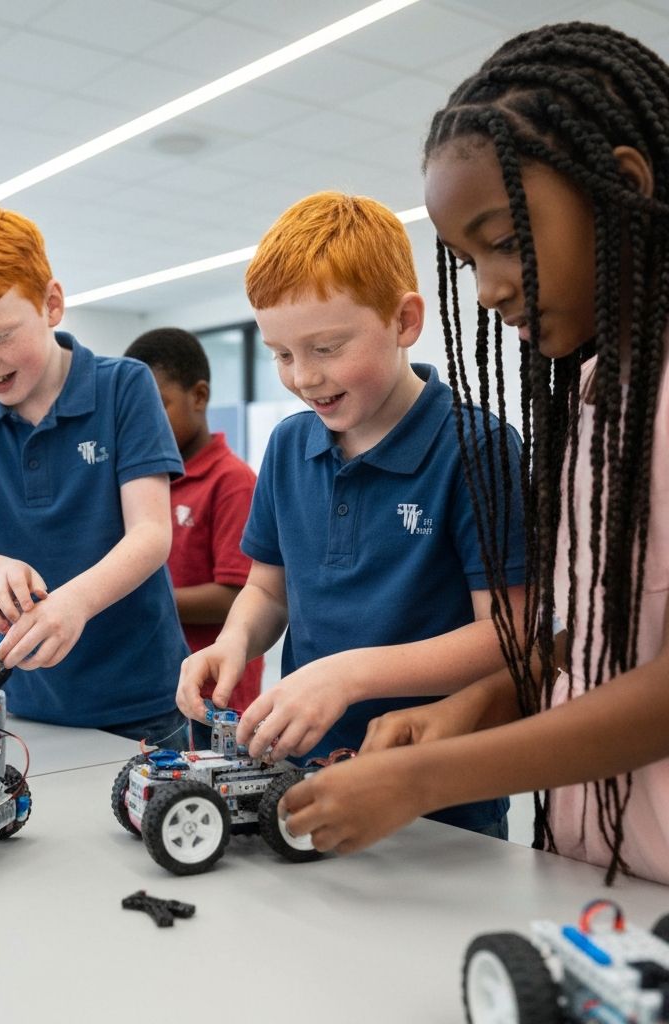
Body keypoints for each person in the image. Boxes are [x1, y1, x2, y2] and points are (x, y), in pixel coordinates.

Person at [280, 22, 669, 886]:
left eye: (504, 241)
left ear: (623, 187)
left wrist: (428, 777)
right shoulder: (596, 398)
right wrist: (469, 709)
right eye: (467, 260)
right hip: (597, 873)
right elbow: (579, 643)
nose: (489, 289)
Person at [178, 191, 527, 839]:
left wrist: (349, 674)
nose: (304, 377)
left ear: (403, 320)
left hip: (440, 797)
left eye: (327, 347)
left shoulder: (477, 449)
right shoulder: (288, 445)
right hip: (305, 772)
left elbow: (508, 633)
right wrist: (233, 642)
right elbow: (266, 589)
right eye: (281, 355)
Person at [0, 206, 190, 744]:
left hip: (143, 698)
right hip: (26, 698)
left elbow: (151, 534)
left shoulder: (124, 387)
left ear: (51, 305)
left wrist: (76, 602)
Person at [124, 327, 263, 714]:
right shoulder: (144, 482)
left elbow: (235, 596)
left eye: (158, 406)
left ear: (198, 396)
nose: (142, 423)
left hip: (216, 692)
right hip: (156, 682)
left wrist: (127, 596)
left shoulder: (232, 482)